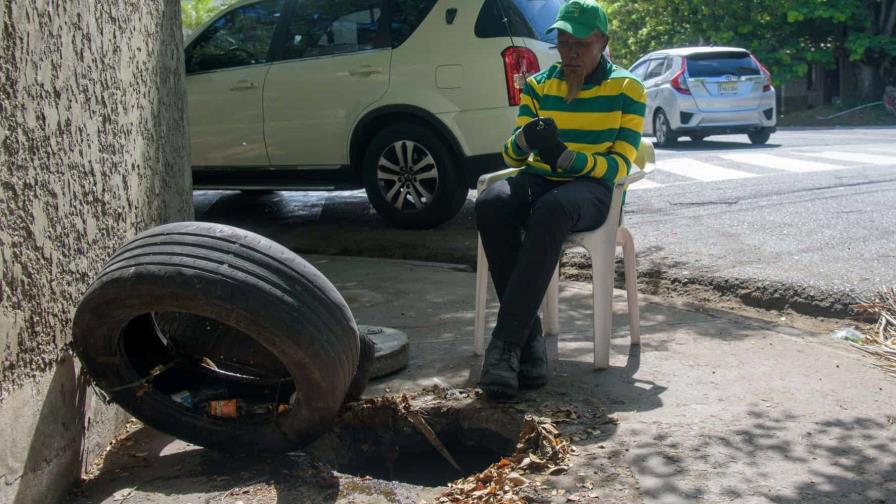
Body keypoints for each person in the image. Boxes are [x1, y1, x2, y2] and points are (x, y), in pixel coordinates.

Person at [475, 0, 647, 398]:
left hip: (592, 190)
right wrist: (526, 138)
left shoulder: (627, 88)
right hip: (542, 178)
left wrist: (569, 157)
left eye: (580, 45)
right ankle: (528, 339)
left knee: (551, 211)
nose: (570, 54)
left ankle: (504, 346)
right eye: (563, 43)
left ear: (602, 42)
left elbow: (620, 165)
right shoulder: (538, 86)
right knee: (492, 203)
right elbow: (512, 157)